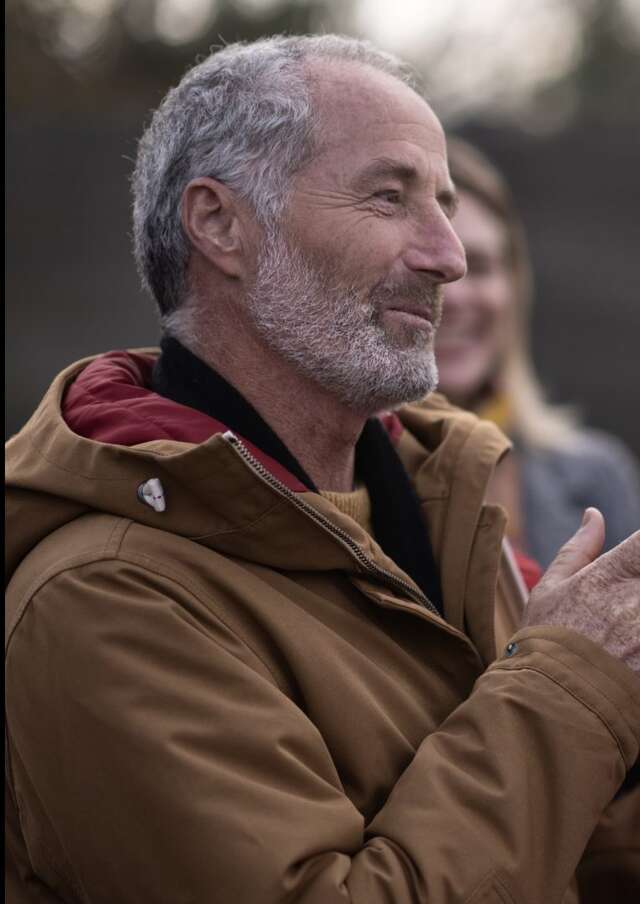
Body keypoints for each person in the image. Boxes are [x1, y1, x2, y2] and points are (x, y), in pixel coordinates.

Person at [5, 35, 640, 904]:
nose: (448, 256)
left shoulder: (444, 500)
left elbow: (578, 845)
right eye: (390, 197)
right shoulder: (102, 598)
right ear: (220, 223)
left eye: (445, 205)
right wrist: (571, 686)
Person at [436, 137, 640, 571]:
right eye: (432, 268)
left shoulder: (596, 475)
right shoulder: (343, 484)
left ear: (514, 286)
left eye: (480, 266)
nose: (454, 297)